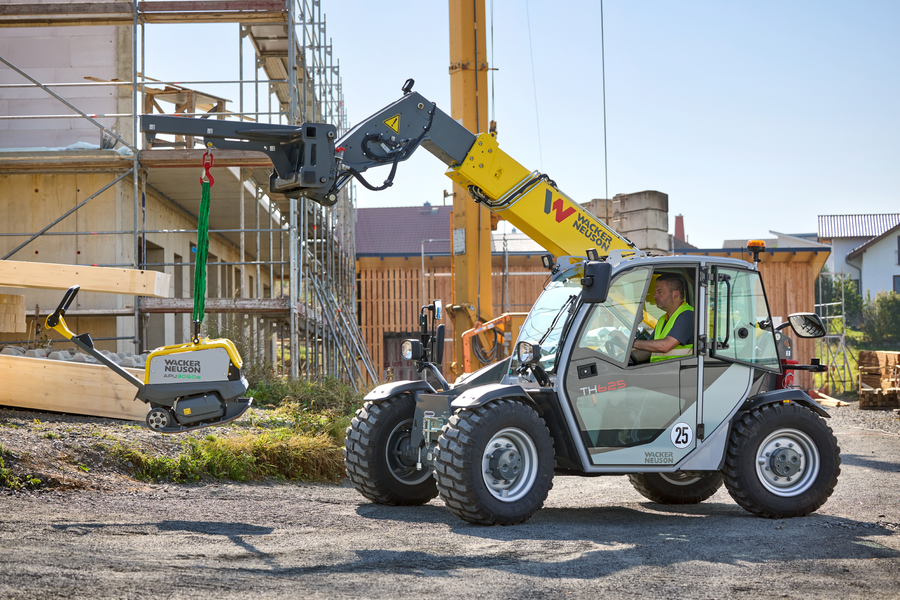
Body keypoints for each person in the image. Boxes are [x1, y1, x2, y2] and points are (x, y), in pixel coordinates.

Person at [633, 273, 694, 362]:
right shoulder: (663, 319)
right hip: (661, 370)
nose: (654, 296)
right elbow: (648, 350)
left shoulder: (688, 315)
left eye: (660, 292)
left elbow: (665, 346)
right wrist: (626, 358)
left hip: (677, 372)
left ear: (675, 294)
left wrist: (631, 343)